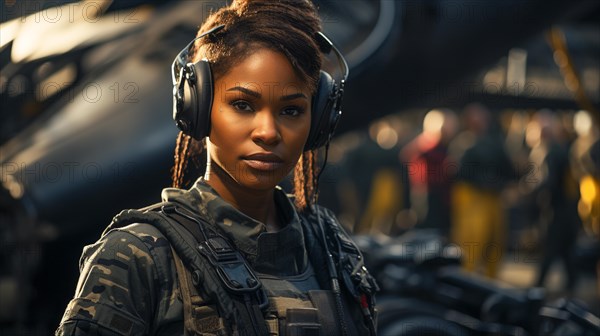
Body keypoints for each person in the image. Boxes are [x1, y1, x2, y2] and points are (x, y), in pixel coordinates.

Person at [55, 1, 378, 335]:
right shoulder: (138, 257)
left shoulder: (331, 252)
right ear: (199, 108)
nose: (268, 132)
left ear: (319, 120)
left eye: (292, 110)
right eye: (242, 105)